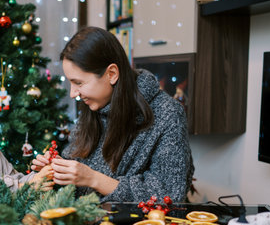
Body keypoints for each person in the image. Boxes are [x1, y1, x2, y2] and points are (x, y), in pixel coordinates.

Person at [32, 26, 194, 203]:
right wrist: (56, 171)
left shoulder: (168, 114)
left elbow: (170, 193)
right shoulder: (94, 106)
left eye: (78, 82)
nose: (73, 93)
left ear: (112, 74)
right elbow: (75, 179)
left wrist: (94, 179)